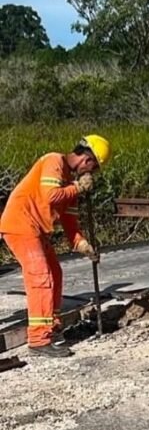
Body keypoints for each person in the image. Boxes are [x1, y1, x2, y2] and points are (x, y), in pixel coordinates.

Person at [0, 135, 111, 358]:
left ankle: (52, 325)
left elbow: (70, 223)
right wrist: (78, 188)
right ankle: (39, 339)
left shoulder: (71, 184)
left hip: (36, 229)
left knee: (55, 273)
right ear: (87, 160)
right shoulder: (54, 161)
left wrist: (83, 244)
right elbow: (50, 196)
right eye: (94, 168)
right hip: (20, 223)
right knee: (40, 276)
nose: (91, 173)